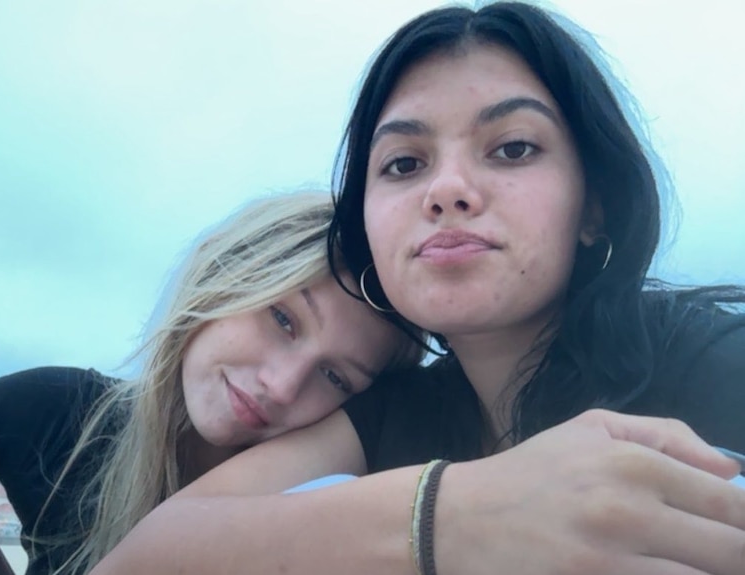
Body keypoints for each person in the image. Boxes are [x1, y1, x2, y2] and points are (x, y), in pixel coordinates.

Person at [89, 3, 745, 575]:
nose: (446, 188)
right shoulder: (396, 412)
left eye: (512, 148)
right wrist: (454, 517)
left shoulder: (707, 360)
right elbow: (146, 553)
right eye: (404, 163)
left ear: (595, 204)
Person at [0, 191, 423, 575]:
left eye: (334, 377)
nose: (281, 386)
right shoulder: (63, 414)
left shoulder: (310, 522)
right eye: (282, 319)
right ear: (222, 279)